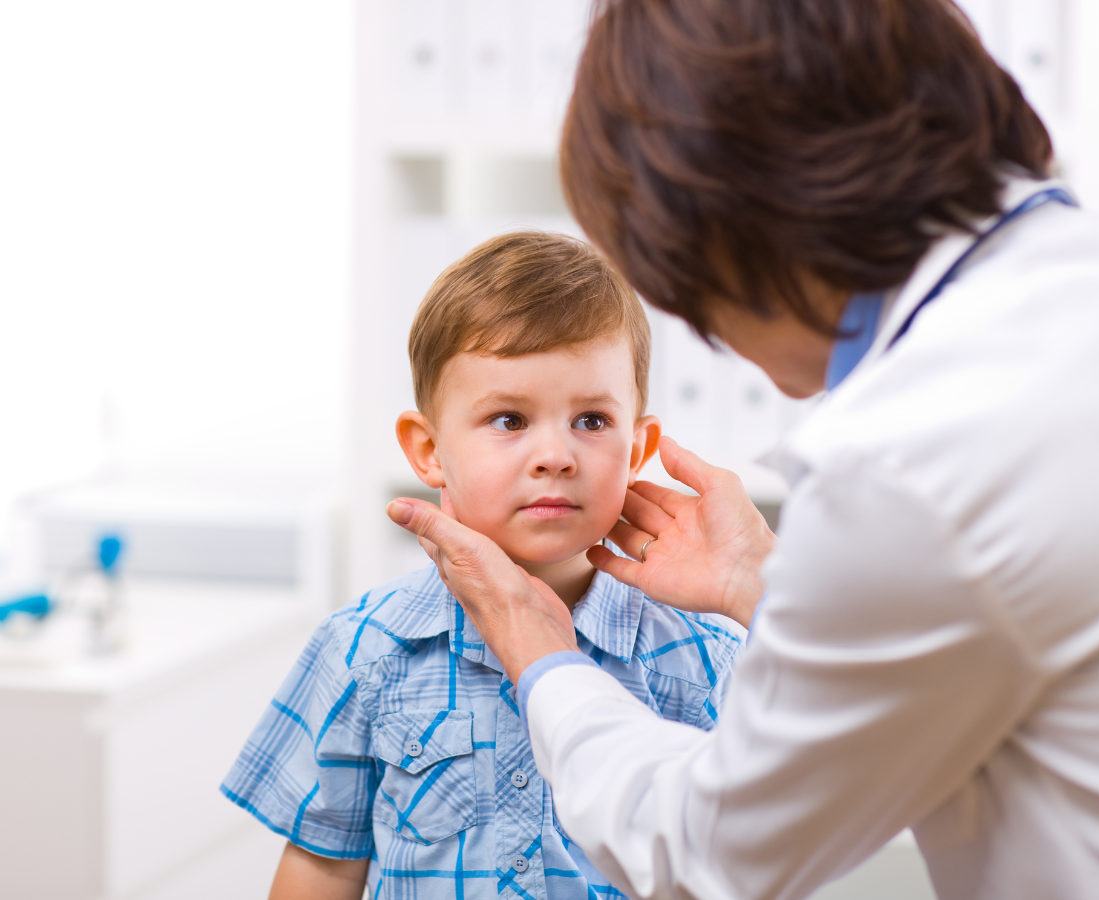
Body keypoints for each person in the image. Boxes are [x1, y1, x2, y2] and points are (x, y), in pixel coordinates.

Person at [385, 1, 1099, 899]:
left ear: (723, 236)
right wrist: (759, 585)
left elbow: (713, 853)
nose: (718, 340)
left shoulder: (913, 460)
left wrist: (540, 656)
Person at [221, 231, 744, 900]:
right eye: (508, 419)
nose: (555, 455)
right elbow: (323, 863)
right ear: (429, 449)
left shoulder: (703, 662)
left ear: (638, 446)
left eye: (590, 420)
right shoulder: (365, 649)